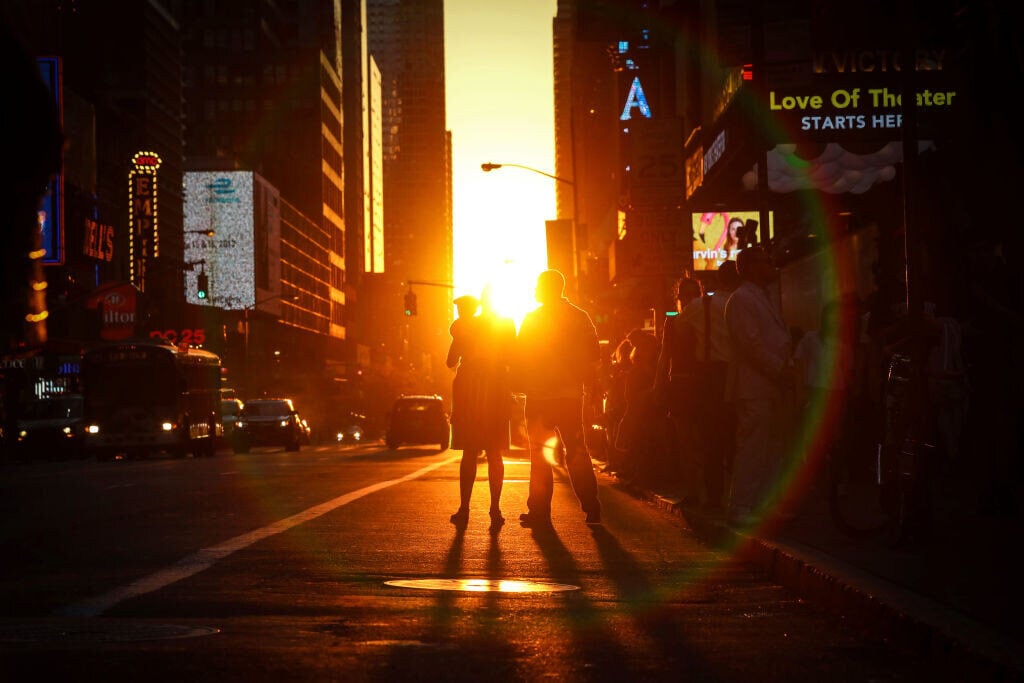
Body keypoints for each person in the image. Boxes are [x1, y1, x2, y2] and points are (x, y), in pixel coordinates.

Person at [514, 270, 602, 528]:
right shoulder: (579, 317)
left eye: (538, 285)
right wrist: (592, 387)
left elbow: (521, 355)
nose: (534, 289)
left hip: (540, 396)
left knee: (540, 454)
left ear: (547, 288)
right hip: (570, 396)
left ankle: (540, 512)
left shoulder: (532, 319)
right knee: (576, 450)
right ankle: (591, 507)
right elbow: (594, 355)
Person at [724, 247, 795, 526]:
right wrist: (779, 369)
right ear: (751, 266)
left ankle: (762, 504)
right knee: (753, 446)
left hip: (770, 385)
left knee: (772, 448)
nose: (771, 266)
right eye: (766, 261)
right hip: (754, 386)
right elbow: (751, 345)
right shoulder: (742, 300)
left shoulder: (762, 297)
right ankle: (741, 504)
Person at [446, 293, 514, 528]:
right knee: (495, 452)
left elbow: (450, 360)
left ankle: (464, 508)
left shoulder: (464, 327)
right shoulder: (504, 325)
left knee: (469, 453)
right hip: (496, 392)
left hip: (469, 395)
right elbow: (511, 356)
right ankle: (495, 508)